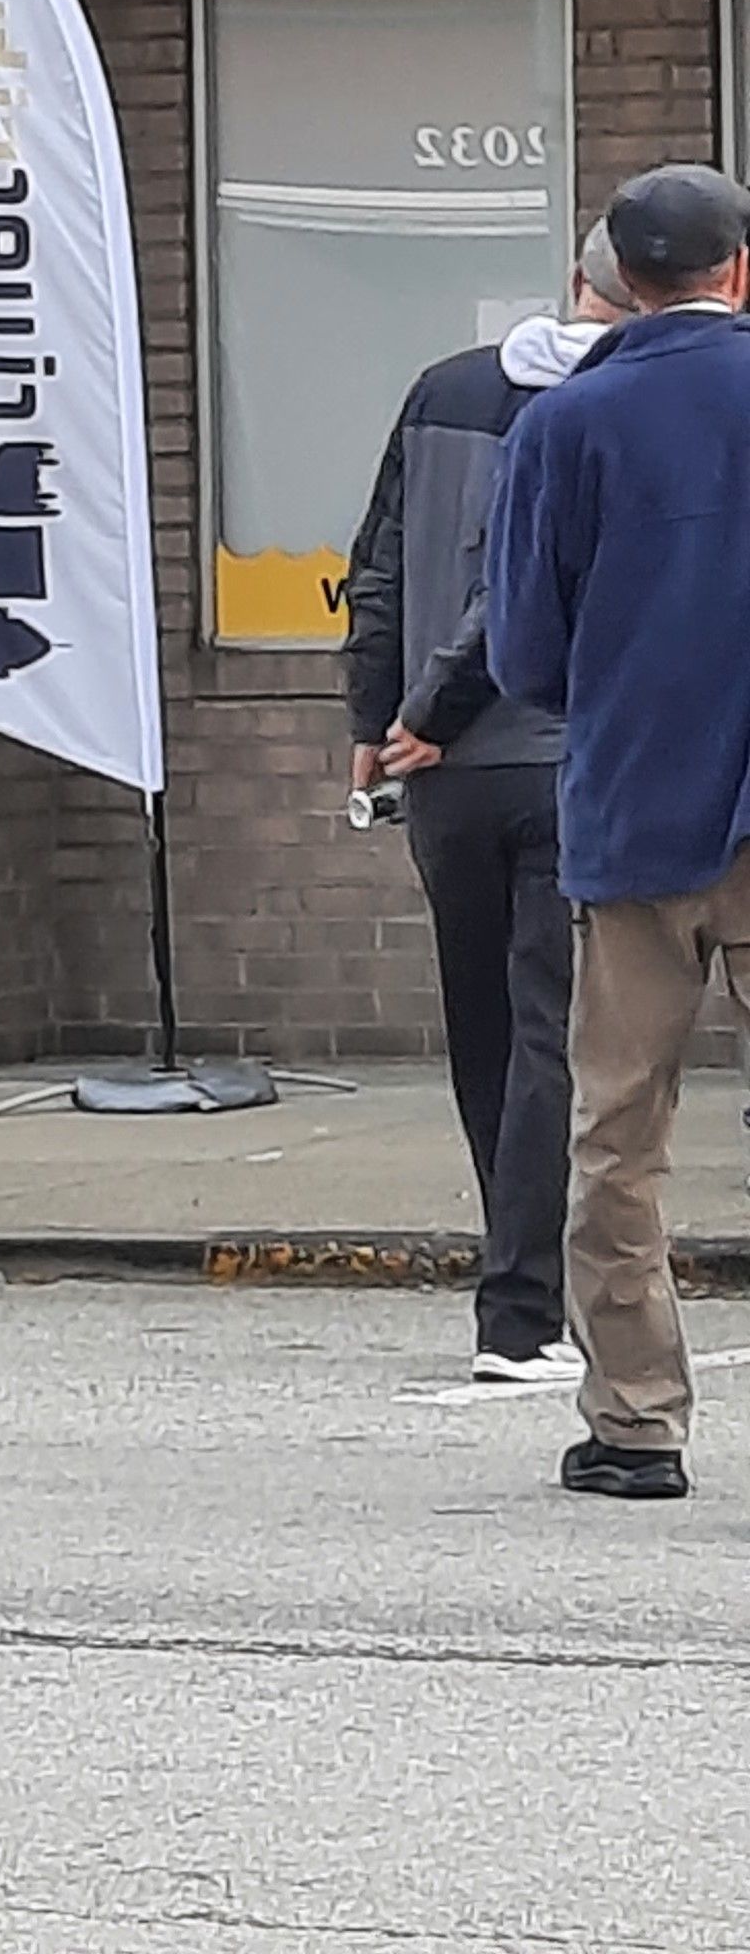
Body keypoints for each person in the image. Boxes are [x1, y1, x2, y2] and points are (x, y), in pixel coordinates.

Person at [488, 159, 750, 1502]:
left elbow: (527, 652)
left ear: (613, 286)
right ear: (739, 271)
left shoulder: (568, 425)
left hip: (638, 812)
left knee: (619, 1132)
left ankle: (638, 1421)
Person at [344, 225, 630, 1386]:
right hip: (562, 752)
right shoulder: (628, 406)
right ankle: (523, 1309)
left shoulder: (443, 389)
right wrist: (435, 707)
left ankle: (517, 1288)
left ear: (576, 279)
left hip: (442, 777)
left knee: (484, 1035)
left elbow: (378, 566)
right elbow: (528, 587)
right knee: (551, 1038)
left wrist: (376, 722)